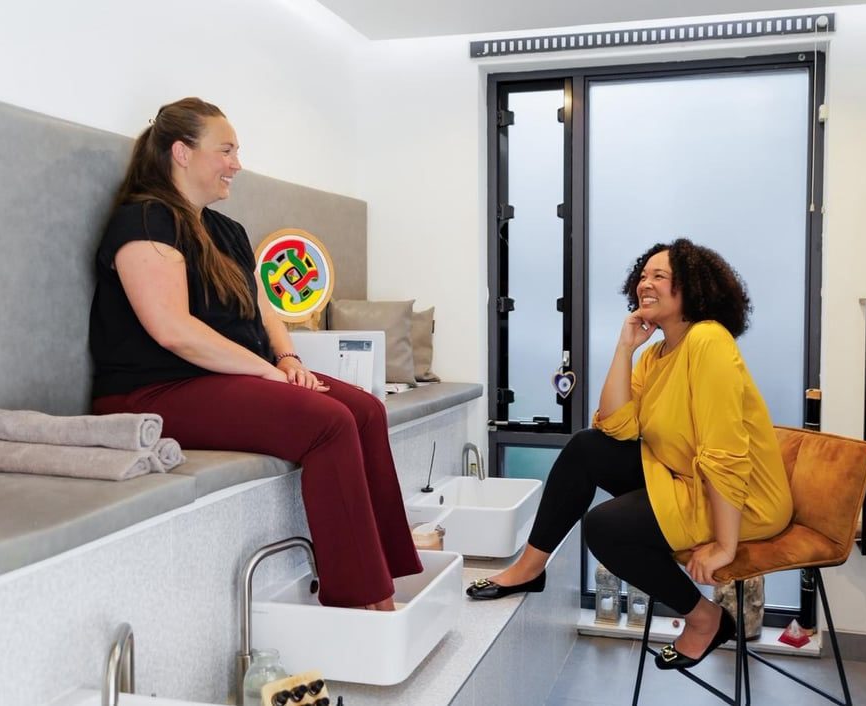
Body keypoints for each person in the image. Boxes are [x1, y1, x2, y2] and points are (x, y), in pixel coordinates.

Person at [89, 97, 422, 610]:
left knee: (366, 409)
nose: (237, 164)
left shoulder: (227, 231)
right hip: (153, 391)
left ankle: (387, 574)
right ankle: (360, 599)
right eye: (226, 150)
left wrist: (288, 360)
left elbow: (265, 309)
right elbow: (173, 331)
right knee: (329, 422)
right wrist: (266, 372)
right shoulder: (145, 221)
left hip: (226, 380)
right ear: (181, 152)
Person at [467, 238, 793, 670]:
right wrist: (625, 348)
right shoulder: (657, 354)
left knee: (605, 528)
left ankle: (705, 619)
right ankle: (530, 567)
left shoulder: (708, 341)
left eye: (660, 276)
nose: (645, 284)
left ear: (692, 288)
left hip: (744, 499)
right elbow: (615, 425)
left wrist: (725, 545)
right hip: (686, 479)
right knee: (586, 446)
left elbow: (725, 451)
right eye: (642, 276)